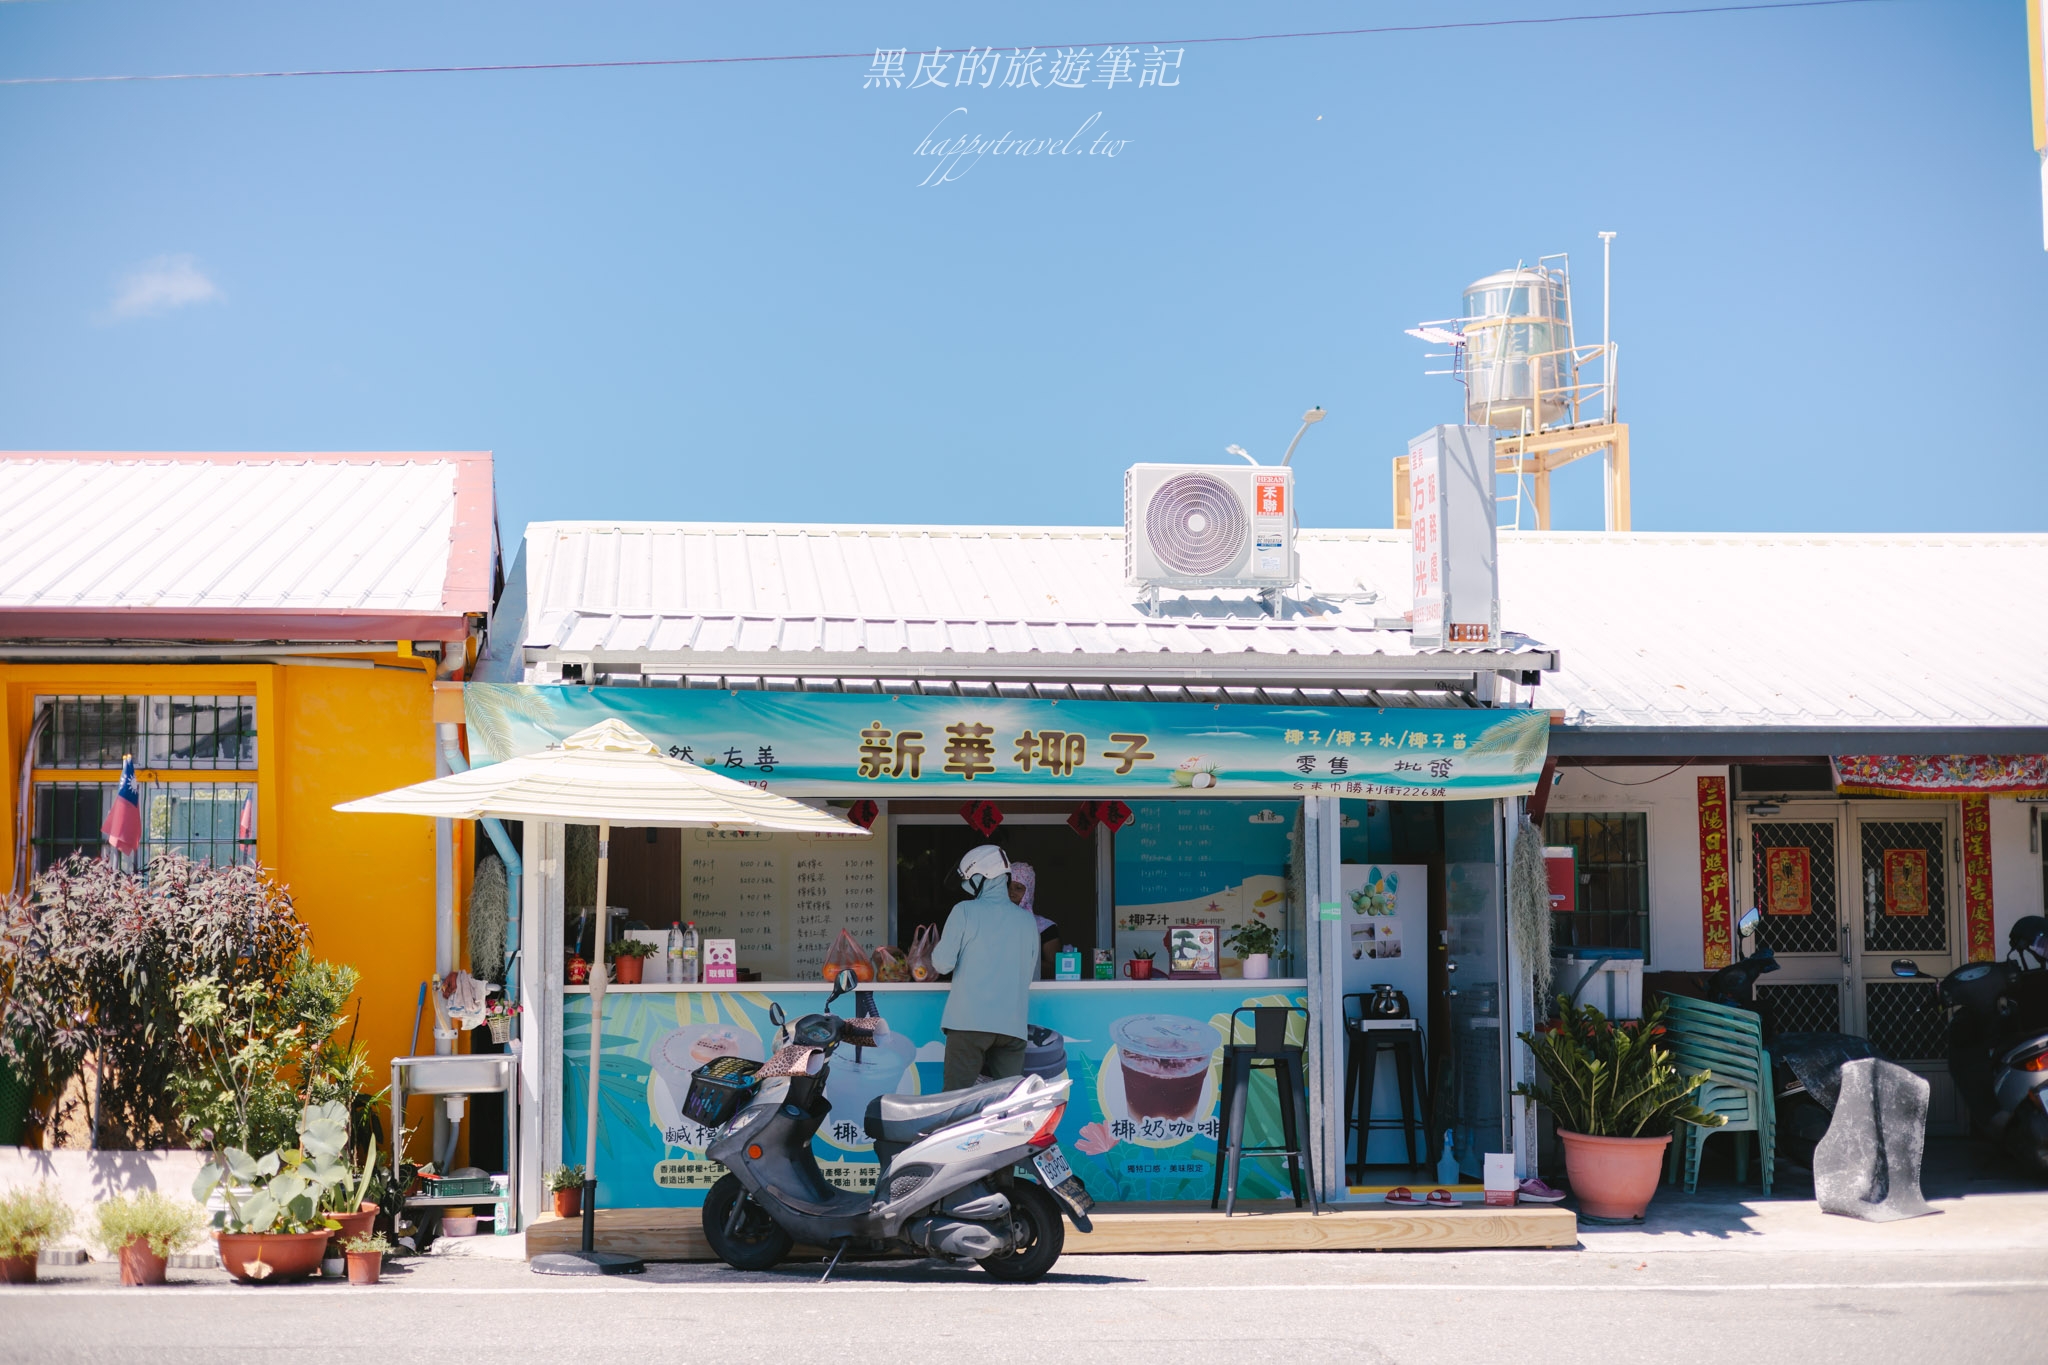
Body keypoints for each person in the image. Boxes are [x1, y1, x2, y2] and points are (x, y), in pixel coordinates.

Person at [931, 844, 1040, 1092]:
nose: (967, 887)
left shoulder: (964, 911)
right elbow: (1029, 975)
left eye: (970, 880)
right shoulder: (1026, 920)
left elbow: (942, 964)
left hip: (968, 1024)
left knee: (956, 1103)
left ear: (983, 876)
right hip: (1013, 1027)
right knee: (1007, 1108)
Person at [1005, 860, 1061, 979]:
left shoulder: (1045, 928)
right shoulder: (992, 924)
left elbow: (1056, 971)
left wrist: (1020, 959)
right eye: (1007, 887)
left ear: (1029, 892)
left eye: (1018, 888)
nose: (1011, 893)